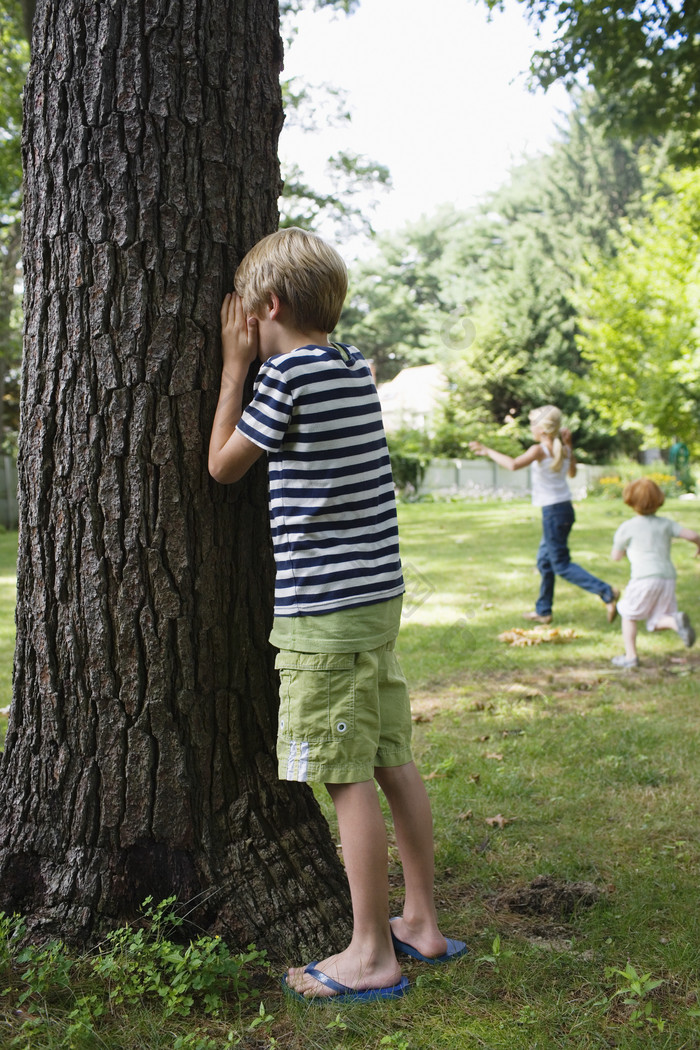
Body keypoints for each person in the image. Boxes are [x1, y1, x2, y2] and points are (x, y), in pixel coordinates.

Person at [208, 227, 465, 1003]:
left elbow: (221, 467)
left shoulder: (283, 379)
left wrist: (233, 369)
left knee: (346, 775)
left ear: (268, 307)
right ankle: (418, 919)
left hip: (328, 610)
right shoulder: (351, 365)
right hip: (375, 602)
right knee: (389, 755)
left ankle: (369, 954)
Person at [469, 406, 619, 624]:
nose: (530, 428)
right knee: (545, 562)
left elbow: (512, 465)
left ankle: (607, 592)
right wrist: (570, 445)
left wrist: (487, 450)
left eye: (532, 424)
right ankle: (544, 611)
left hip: (553, 512)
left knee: (561, 564)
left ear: (542, 429)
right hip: (564, 509)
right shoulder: (563, 448)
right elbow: (573, 473)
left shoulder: (539, 450)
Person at [610, 477, 700, 668]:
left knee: (628, 613)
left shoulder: (627, 527)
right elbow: (692, 535)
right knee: (657, 619)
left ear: (630, 501)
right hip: (667, 577)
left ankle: (630, 657)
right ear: (659, 499)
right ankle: (675, 622)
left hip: (643, 578)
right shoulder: (666, 524)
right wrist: (698, 545)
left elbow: (616, 556)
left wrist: (624, 551)